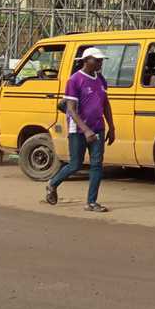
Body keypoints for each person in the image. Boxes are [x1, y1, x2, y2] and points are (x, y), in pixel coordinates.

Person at [44, 47, 116, 213]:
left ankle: (91, 202)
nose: (100, 63)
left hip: (98, 127)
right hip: (78, 129)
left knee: (97, 165)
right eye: (96, 60)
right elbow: (71, 109)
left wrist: (111, 126)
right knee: (75, 164)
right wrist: (86, 130)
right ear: (86, 61)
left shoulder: (101, 79)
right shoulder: (75, 80)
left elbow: (105, 104)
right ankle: (52, 183)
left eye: (101, 60)